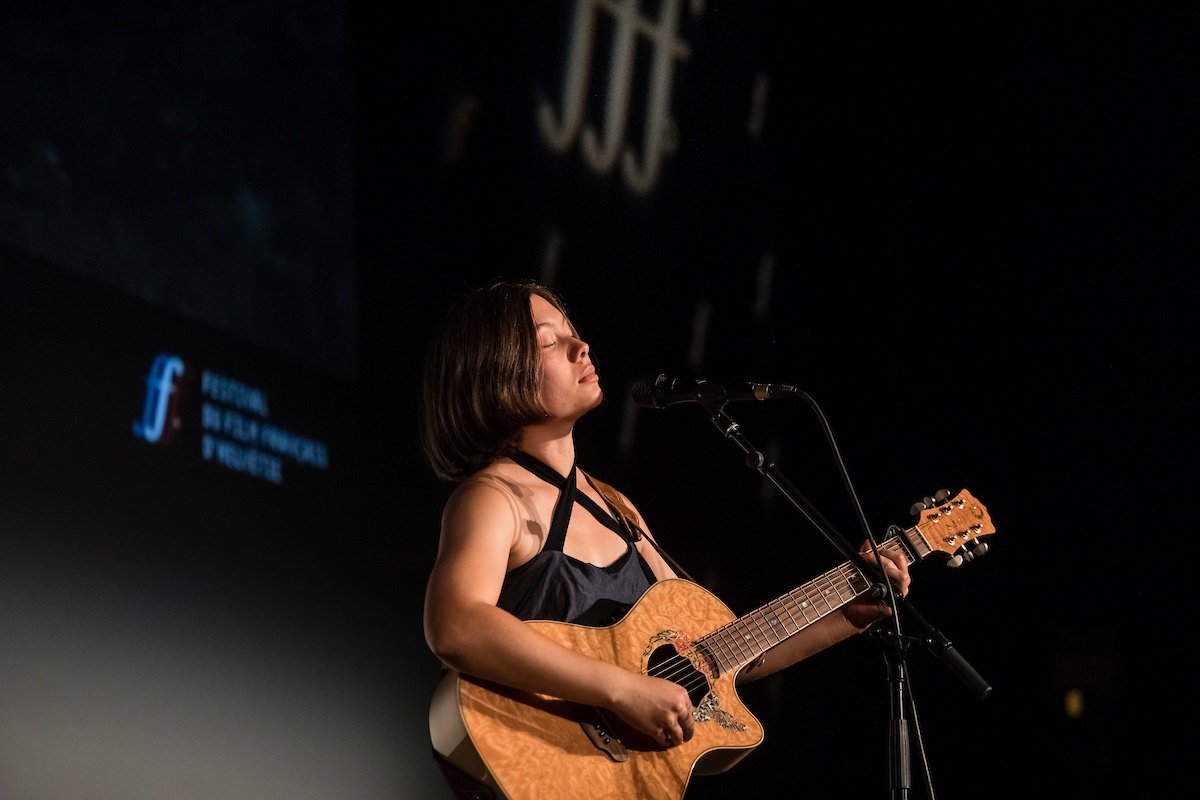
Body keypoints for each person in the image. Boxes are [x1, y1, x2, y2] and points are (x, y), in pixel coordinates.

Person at [419, 277, 911, 794]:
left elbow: (719, 657)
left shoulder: (618, 508)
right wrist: (621, 690)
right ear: (498, 373)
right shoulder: (494, 497)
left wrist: (849, 612)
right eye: (548, 341)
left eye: (572, 331)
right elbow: (455, 626)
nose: (581, 346)